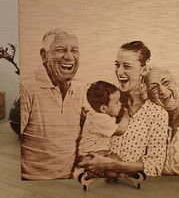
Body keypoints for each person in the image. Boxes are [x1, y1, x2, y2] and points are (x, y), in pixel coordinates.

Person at [78, 41, 168, 177]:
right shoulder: (106, 103)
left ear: (143, 70)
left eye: (127, 66)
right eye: (117, 65)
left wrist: (109, 165)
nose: (119, 72)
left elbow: (154, 167)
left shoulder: (157, 114)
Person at [21, 28, 84, 180]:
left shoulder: (80, 90)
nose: (69, 56)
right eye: (61, 50)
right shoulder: (27, 88)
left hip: (68, 179)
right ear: (44, 55)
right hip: (33, 181)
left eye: (74, 50)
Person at [78, 81, 129, 178]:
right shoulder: (101, 118)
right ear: (103, 109)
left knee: (112, 161)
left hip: (89, 153)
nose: (120, 104)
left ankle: (109, 178)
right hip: (90, 154)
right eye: (116, 102)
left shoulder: (95, 114)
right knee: (115, 160)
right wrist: (126, 115)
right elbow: (120, 130)